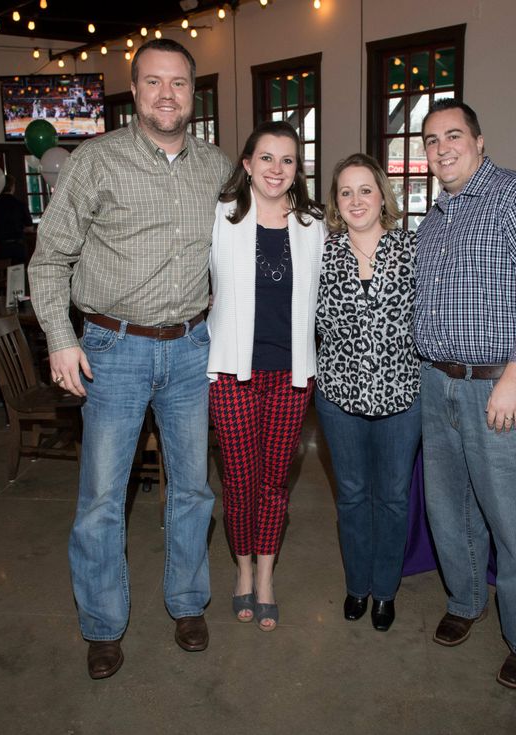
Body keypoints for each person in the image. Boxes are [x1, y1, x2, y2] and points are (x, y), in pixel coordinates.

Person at [28, 39, 231, 680]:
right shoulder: (95, 161)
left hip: (192, 348)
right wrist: (60, 338)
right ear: (135, 90)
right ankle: (102, 624)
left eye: (178, 82)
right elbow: (49, 257)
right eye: (153, 82)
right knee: (101, 498)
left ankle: (188, 603)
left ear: (193, 92)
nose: (166, 94)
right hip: (112, 349)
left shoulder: (218, 167)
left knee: (193, 489)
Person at [414, 100, 516, 689]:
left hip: (502, 386)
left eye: (453, 135)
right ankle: (465, 600)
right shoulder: (435, 219)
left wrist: (515, 376)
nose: (442, 148)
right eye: (431, 140)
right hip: (439, 381)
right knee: (450, 509)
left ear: (479, 141)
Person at [207, 121, 325, 631]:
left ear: (298, 169)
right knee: (239, 482)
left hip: (291, 376)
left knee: (275, 482)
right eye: (267, 158)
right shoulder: (221, 216)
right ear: (247, 164)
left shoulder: (313, 224)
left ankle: (266, 576)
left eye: (288, 160)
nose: (277, 169)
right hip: (232, 373)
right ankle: (242, 568)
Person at [314, 153, 420, 632]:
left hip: (402, 395)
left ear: (382, 196)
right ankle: (358, 585)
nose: (356, 200)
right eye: (345, 192)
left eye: (365, 190)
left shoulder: (413, 249)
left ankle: (386, 591)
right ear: (336, 203)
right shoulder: (322, 253)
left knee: (394, 498)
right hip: (339, 397)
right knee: (353, 497)